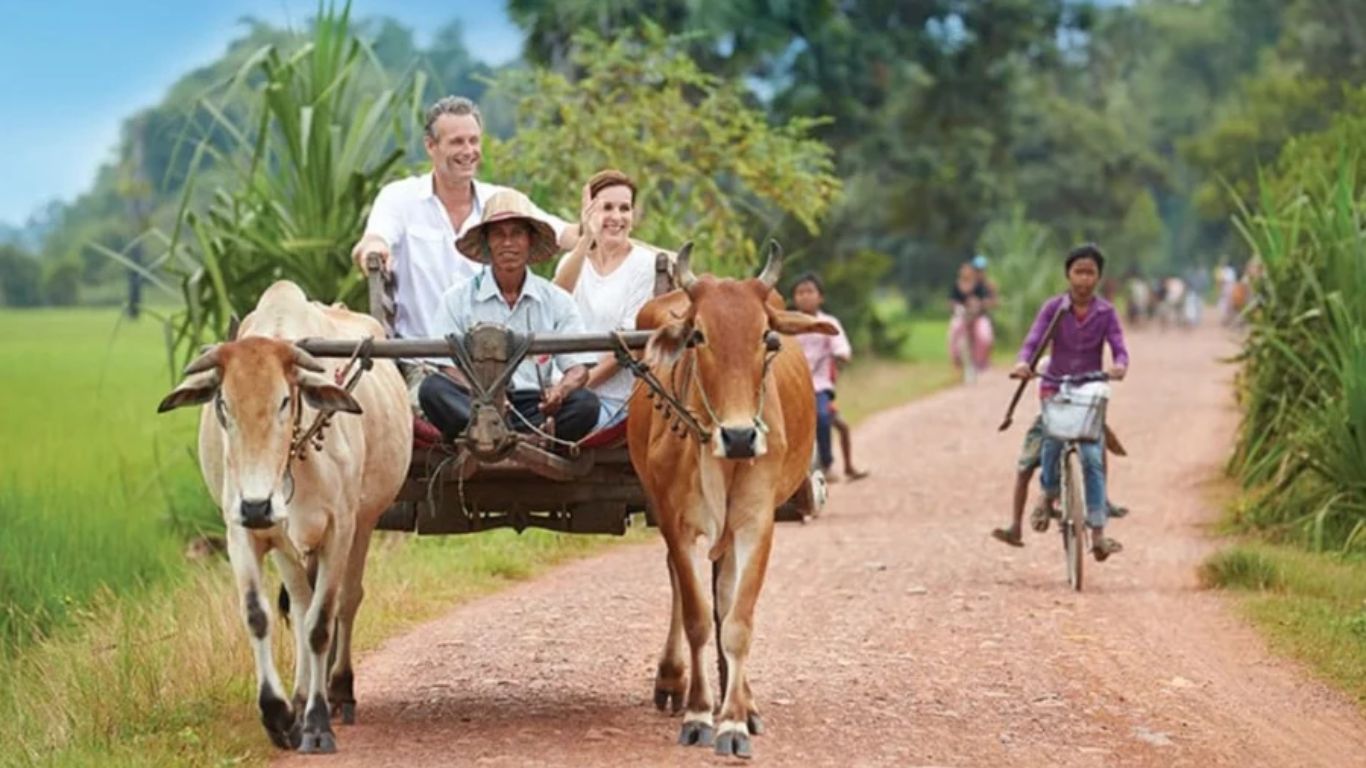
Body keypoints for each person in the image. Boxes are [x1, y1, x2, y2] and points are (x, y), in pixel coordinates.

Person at [349, 96, 582, 408]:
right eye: (456, 142)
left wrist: (603, 224)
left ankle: (513, 423)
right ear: (431, 146)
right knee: (432, 395)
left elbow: (566, 234)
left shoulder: (500, 203)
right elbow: (373, 241)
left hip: (510, 371)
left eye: (474, 141)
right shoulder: (399, 198)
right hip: (430, 365)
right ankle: (499, 423)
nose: (468, 151)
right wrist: (374, 250)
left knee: (580, 406)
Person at [417, 190, 601, 444]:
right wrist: (483, 397)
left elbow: (578, 368)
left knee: (586, 404)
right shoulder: (457, 299)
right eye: (498, 235)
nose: (508, 243)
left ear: (529, 241)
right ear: (487, 242)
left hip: (535, 406)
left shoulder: (556, 300)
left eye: (516, 234)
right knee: (433, 390)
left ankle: (521, 437)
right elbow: (446, 367)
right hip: (475, 403)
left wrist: (560, 391)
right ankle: (502, 434)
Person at [997, 244, 1130, 561]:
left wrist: (1120, 365)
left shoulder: (1106, 313)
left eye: (1090, 272)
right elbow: (1033, 341)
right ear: (1068, 274)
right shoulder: (1054, 309)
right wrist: (1022, 363)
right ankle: (1048, 493)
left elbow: (1119, 347)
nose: (1084, 279)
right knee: (1051, 442)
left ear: (1099, 276)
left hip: (1090, 390)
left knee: (1093, 459)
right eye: (1078, 271)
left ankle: (1098, 533)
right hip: (1054, 387)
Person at [552, 170, 658, 429]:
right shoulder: (573, 261)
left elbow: (626, 348)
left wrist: (571, 388)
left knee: (576, 414)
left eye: (625, 208)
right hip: (558, 388)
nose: (616, 217)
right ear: (589, 212)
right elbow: (554, 304)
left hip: (609, 400)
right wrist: (586, 237)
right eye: (607, 207)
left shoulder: (643, 265)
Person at [791, 273, 856, 480]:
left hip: (819, 385)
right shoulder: (788, 323)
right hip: (792, 384)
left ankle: (828, 464)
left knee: (822, 417)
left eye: (809, 291)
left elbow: (842, 348)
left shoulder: (828, 323)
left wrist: (841, 356)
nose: (805, 296)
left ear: (820, 297)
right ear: (794, 298)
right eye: (800, 292)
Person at [947, 261, 995, 377]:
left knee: (985, 336)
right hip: (962, 317)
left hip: (978, 317)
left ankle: (981, 361)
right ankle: (956, 359)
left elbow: (989, 300)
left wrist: (978, 304)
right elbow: (951, 301)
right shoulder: (956, 286)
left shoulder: (980, 286)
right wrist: (958, 307)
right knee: (954, 331)